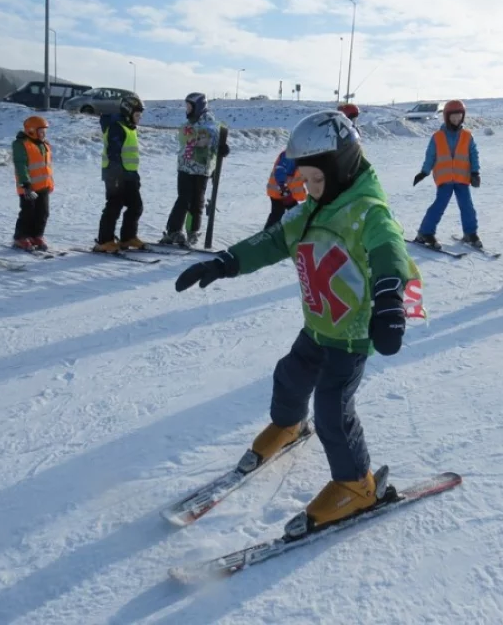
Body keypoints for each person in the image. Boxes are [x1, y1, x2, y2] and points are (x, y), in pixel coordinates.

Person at [174, 111, 423, 536]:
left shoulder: (369, 212)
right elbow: (271, 240)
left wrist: (388, 301)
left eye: (316, 179)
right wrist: (225, 261)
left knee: (332, 410)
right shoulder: (309, 212)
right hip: (317, 327)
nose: (309, 188)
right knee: (289, 377)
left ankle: (357, 484)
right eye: (304, 180)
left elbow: (389, 252)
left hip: (350, 337)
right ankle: (289, 425)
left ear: (342, 168)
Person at [160, 92, 229, 246]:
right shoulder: (187, 126)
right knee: (183, 199)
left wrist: (223, 149)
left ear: (199, 107)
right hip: (185, 168)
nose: (187, 110)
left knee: (197, 202)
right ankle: (173, 231)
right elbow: (185, 142)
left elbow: (218, 146)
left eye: (189, 106)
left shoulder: (213, 127)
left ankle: (193, 231)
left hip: (202, 170)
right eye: (186, 106)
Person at [412, 100, 482, 248]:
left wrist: (475, 172)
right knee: (439, 206)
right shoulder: (437, 137)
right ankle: (425, 232)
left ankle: (470, 233)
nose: (456, 119)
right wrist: (424, 172)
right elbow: (430, 156)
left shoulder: (467, 136)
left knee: (467, 206)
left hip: (462, 178)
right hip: (445, 179)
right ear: (446, 116)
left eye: (459, 116)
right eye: (453, 116)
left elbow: (473, 155)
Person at [94, 91, 146, 252]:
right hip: (115, 175)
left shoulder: (130, 127)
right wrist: (116, 176)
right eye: (137, 115)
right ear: (128, 112)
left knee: (136, 206)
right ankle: (104, 241)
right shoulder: (117, 127)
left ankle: (128, 237)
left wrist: (133, 175)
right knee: (114, 206)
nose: (139, 118)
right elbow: (114, 153)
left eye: (140, 115)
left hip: (129, 175)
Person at [11, 115, 53, 251]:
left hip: (43, 185)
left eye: (44, 131)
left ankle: (36, 235)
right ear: (31, 131)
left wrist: (50, 183)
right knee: (28, 212)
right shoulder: (21, 144)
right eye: (41, 131)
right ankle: (21, 237)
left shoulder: (44, 144)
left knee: (43, 212)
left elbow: (46, 166)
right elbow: (20, 165)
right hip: (28, 187)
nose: (43, 134)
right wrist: (26, 184)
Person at [264, 149, 306, 229]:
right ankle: (267, 233)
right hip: (279, 192)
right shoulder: (290, 155)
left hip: (288, 194)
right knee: (278, 214)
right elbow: (280, 173)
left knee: (295, 215)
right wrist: (284, 192)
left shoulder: (303, 156)